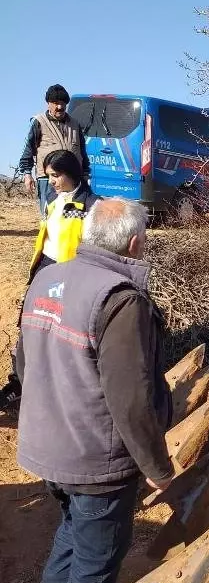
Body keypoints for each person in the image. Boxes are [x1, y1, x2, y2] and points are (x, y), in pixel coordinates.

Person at [16, 198, 174, 583]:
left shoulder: (46, 278)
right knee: (99, 556)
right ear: (133, 243)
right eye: (144, 237)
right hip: (93, 456)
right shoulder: (120, 298)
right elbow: (132, 399)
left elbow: (23, 364)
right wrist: (158, 467)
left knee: (70, 533)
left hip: (47, 444)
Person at [0, 150, 100, 411]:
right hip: (44, 271)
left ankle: (54, 390)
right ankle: (18, 384)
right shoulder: (54, 202)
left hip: (68, 277)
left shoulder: (91, 206)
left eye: (55, 175)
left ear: (71, 173)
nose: (52, 181)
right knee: (28, 327)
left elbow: (89, 245)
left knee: (58, 334)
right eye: (48, 176)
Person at [18, 84, 90, 214]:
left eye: (63, 103)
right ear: (48, 103)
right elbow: (28, 149)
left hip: (73, 179)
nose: (60, 107)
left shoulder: (75, 124)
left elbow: (82, 153)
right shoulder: (39, 122)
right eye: (56, 103)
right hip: (48, 180)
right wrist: (27, 174)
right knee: (50, 216)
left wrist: (85, 175)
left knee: (74, 216)